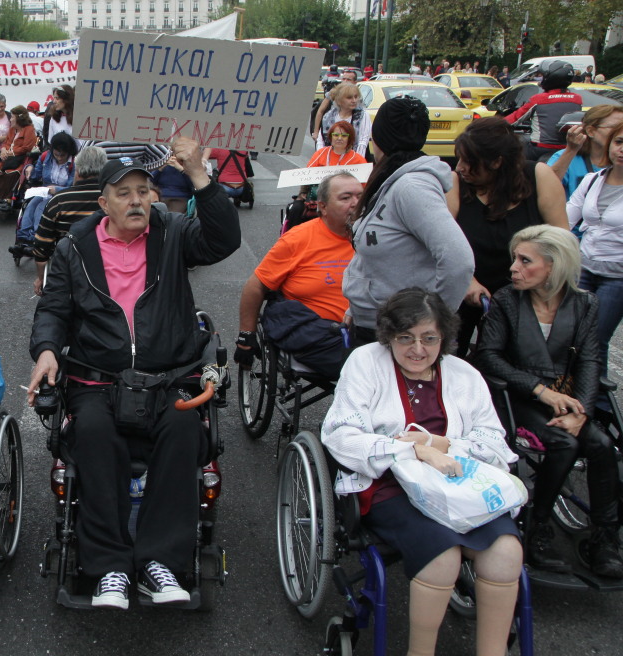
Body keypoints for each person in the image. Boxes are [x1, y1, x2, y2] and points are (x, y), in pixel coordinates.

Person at [26, 137, 240, 610]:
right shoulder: (74, 246)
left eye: (144, 190)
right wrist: (45, 350)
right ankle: (110, 570)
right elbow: (53, 310)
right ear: (104, 203)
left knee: (185, 432)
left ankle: (159, 563)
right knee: (95, 436)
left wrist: (201, 177)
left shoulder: (171, 231)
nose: (137, 200)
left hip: (168, 377)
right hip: (98, 378)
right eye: (124, 193)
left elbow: (224, 240)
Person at [323, 287, 522, 656]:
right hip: (389, 486)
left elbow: (494, 439)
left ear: (443, 337)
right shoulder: (366, 363)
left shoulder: (464, 374)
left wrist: (442, 447)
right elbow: (340, 435)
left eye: (429, 338)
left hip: (460, 484)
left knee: (507, 552)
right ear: (388, 336)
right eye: (406, 338)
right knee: (442, 557)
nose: (418, 349)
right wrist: (412, 451)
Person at [474, 226, 623, 578]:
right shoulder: (507, 300)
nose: (514, 267)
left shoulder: (585, 304)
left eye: (526, 261)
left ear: (554, 267)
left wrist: (581, 411)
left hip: (565, 397)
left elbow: (589, 361)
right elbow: (490, 357)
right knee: (563, 444)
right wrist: (542, 392)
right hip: (518, 396)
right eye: (515, 258)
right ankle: (537, 526)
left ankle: (605, 538)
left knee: (601, 444)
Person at [342, 96, 474, 344]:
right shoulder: (392, 178)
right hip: (375, 324)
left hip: (398, 334)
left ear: (378, 137)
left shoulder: (411, 186)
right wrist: (355, 307)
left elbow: (459, 260)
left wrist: (431, 326)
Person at [447, 118, 569, 355]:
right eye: (458, 158)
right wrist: (467, 280)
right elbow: (443, 242)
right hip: (466, 288)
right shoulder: (455, 182)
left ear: (496, 162)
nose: (460, 167)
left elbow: (561, 242)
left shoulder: (539, 176)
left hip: (524, 293)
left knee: (506, 361)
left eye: (469, 161)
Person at [236, 173, 361, 378]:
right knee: (364, 367)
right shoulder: (298, 238)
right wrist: (246, 337)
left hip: (363, 330)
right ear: (323, 207)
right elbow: (256, 285)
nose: (355, 203)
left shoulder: (373, 236)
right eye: (345, 198)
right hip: (316, 334)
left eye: (360, 196)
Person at [565, 119, 623, 391]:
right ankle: (570, 393)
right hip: (584, 270)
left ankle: (595, 405)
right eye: (619, 142)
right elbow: (563, 220)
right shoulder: (591, 180)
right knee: (571, 335)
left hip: (617, 277)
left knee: (595, 338)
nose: (622, 150)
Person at [31, 145, 106, 297]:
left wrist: (41, 278)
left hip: (68, 272)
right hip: (107, 272)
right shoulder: (112, 199)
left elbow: (41, 249)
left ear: (77, 169)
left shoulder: (59, 201)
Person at [504, 60, 581, 161]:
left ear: (550, 78)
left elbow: (514, 119)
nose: (541, 79)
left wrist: (494, 123)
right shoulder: (577, 99)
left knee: (514, 160)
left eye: (543, 76)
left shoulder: (539, 99)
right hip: (567, 149)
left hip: (540, 149)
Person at [12, 132, 77, 252]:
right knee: (31, 205)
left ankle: (36, 236)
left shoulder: (74, 163)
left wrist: (57, 189)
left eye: (63, 155)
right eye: (57, 154)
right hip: (45, 191)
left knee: (41, 207)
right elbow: (35, 176)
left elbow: (74, 187)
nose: (60, 158)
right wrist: (29, 168)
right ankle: (23, 236)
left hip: (63, 195)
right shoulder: (46, 157)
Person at [547, 105, 623, 199]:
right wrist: (571, 150)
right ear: (591, 131)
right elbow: (545, 188)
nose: (620, 133)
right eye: (615, 128)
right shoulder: (566, 156)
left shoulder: (620, 160)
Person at [296, 120, 366, 201]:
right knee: (296, 208)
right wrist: (302, 193)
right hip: (318, 198)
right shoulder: (320, 153)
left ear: (349, 138)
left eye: (344, 136)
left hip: (346, 200)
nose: (339, 138)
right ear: (331, 137)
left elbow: (363, 189)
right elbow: (307, 176)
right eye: (336, 135)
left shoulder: (359, 160)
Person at [314, 82, 371, 157]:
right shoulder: (328, 116)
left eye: (356, 97)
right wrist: (321, 158)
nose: (354, 100)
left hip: (354, 160)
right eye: (349, 98)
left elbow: (363, 141)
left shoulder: (362, 115)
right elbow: (321, 141)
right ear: (339, 100)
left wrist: (356, 163)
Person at [311, 69, 360, 135]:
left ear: (355, 82)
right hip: (333, 129)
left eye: (348, 79)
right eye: (344, 79)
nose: (345, 81)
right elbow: (320, 111)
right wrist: (316, 131)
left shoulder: (357, 94)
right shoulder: (334, 92)